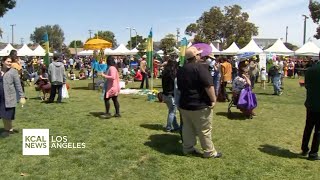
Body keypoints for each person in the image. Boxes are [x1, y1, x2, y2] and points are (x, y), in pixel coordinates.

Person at [177, 46, 222, 159]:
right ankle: (209, 152)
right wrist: (213, 99)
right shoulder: (200, 68)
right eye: (198, 54)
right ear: (196, 56)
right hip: (199, 104)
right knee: (205, 130)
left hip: (185, 104)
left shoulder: (181, 69)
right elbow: (208, 86)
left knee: (187, 128)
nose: (200, 56)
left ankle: (188, 148)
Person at [0, 56, 26, 138]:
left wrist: (22, 96)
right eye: (8, 61)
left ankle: (8, 130)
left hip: (9, 96)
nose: (10, 63)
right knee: (2, 113)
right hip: (0, 96)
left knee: (7, 114)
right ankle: (9, 129)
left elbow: (18, 85)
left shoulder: (13, 72)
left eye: (10, 62)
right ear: (3, 62)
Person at [301, 60, 320, 160]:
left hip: (311, 103)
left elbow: (307, 86)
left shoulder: (310, 70)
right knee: (318, 130)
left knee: (308, 127)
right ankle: (313, 153)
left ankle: (304, 148)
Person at [162, 58, 180, 132]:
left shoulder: (164, 72)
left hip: (165, 94)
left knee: (172, 112)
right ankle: (168, 127)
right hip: (171, 95)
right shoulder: (173, 75)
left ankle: (175, 126)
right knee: (172, 112)